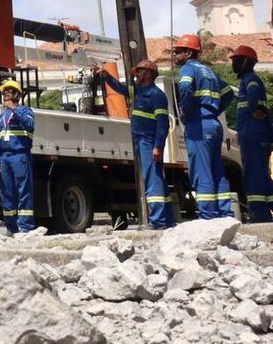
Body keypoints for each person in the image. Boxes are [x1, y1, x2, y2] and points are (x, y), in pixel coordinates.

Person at [94, 60, 176, 229]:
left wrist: (158, 146)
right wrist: (105, 75)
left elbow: (163, 124)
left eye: (139, 72)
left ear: (148, 74)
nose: (136, 75)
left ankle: (158, 222)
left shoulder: (156, 95)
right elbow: (119, 88)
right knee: (156, 177)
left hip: (149, 141)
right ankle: (167, 220)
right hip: (141, 141)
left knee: (152, 179)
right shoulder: (139, 92)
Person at [174, 34, 235, 219]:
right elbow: (229, 93)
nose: (175, 55)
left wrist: (185, 109)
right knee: (217, 169)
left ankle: (208, 215)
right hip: (214, 125)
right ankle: (225, 213)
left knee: (202, 170)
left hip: (198, 125)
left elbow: (184, 88)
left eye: (178, 52)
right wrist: (214, 111)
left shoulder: (188, 69)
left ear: (188, 52)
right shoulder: (209, 71)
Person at [230, 45, 273, 223]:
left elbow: (254, 94)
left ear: (247, 62)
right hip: (256, 133)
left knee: (254, 173)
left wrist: (253, 108)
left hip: (253, 133)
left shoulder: (250, 79)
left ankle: (260, 214)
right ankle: (264, 211)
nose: (234, 64)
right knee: (261, 173)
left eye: (237, 60)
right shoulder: (247, 80)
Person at [0, 79, 35, 234]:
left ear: (17, 94)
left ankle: (25, 228)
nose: (5, 94)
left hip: (20, 156)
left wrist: (14, 109)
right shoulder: (1, 117)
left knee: (24, 192)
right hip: (4, 158)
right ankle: (12, 228)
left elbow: (30, 126)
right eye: (4, 92)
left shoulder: (26, 111)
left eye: (9, 91)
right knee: (7, 194)